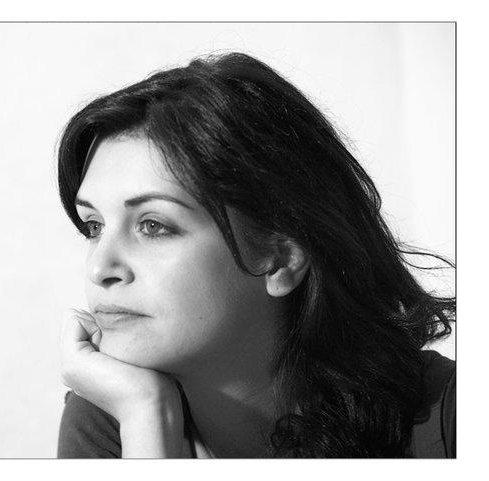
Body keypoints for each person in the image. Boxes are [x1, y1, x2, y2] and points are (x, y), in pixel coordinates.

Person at [54, 52, 455, 458]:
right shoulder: (113, 411)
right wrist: (147, 416)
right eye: (94, 226)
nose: (100, 268)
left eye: (154, 225)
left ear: (280, 259)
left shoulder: (454, 419)